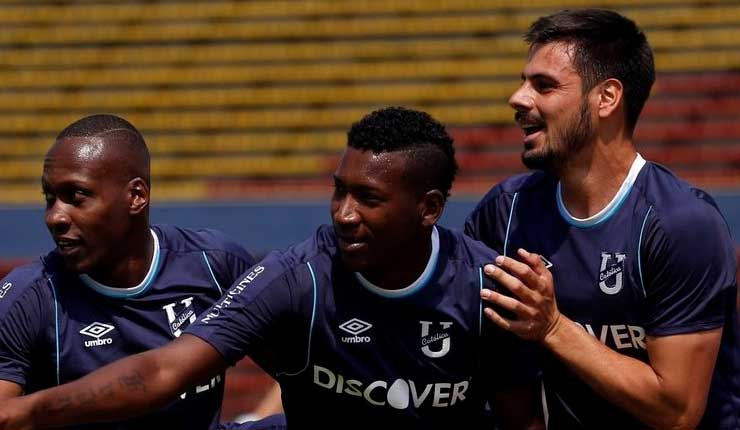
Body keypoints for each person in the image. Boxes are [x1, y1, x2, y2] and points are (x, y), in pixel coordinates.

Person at [0, 107, 542, 430]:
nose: (344, 214)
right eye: (338, 191)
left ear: (427, 208)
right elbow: (166, 371)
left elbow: (522, 420)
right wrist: (19, 416)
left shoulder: (489, 286)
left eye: (368, 198)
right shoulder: (297, 272)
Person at [465, 9, 740, 430]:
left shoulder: (680, 224)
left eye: (543, 85)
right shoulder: (504, 213)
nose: (518, 99)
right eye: (523, 82)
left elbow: (678, 411)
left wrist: (553, 326)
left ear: (606, 98)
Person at [0, 114, 263, 429]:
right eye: (50, 198)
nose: (55, 217)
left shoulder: (215, 264)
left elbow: (304, 363)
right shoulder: (27, 298)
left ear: (136, 196)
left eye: (76, 197)